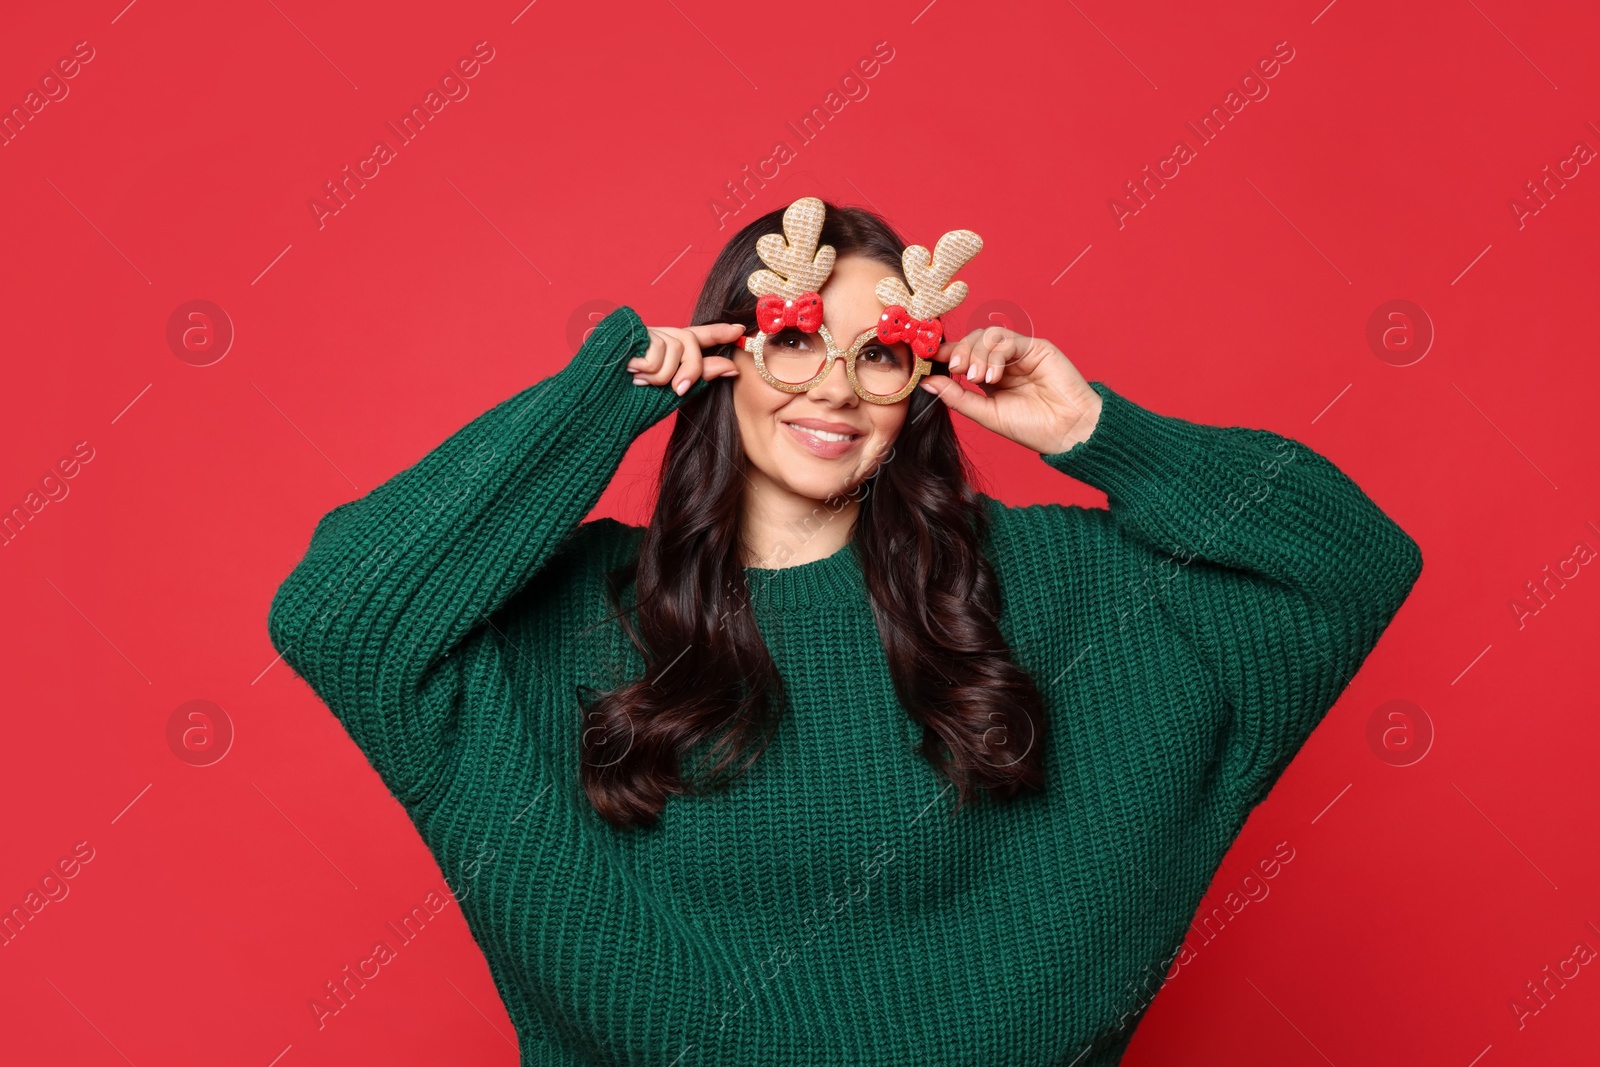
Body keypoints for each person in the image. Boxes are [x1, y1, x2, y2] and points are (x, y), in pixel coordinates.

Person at [267, 196, 1422, 1065]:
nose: (832, 386)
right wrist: (596, 400)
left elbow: (1349, 563)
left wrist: (1092, 429)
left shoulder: (1039, 587)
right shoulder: (570, 616)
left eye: (878, 355)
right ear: (727, 355)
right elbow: (333, 607)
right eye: (792, 338)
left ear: (914, 386)